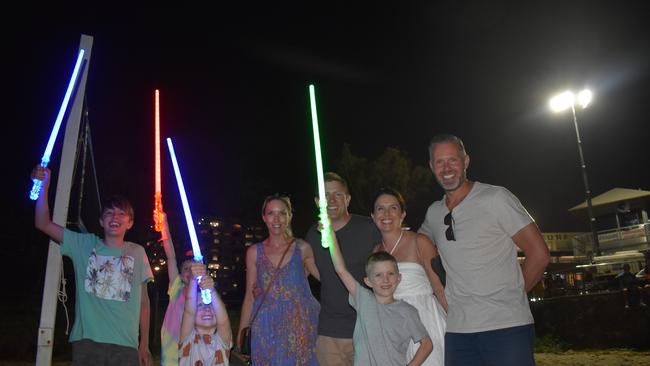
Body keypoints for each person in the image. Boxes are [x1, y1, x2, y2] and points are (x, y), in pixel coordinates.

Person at [418, 134, 550, 366]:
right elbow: (418, 240)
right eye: (439, 162)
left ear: (466, 161)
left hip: (506, 326)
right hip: (458, 329)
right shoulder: (434, 213)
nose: (446, 168)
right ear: (431, 166)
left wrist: (514, 294)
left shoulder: (496, 198)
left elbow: (539, 254)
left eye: (453, 160)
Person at [32, 166, 153, 366]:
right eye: (109, 213)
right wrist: (43, 185)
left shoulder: (137, 252)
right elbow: (43, 223)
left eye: (121, 213)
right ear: (101, 221)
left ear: (130, 222)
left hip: (126, 345)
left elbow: (144, 303)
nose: (115, 217)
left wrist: (144, 344)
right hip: (87, 344)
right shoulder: (83, 244)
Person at [327, 224, 433, 366]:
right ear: (368, 281)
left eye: (390, 273)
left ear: (398, 278)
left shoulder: (407, 311)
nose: (386, 280)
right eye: (378, 275)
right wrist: (331, 236)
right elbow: (341, 270)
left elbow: (427, 344)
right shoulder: (363, 299)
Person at [305, 172, 382, 366]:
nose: (331, 200)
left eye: (337, 194)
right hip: (330, 331)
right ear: (317, 201)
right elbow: (310, 268)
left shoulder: (369, 228)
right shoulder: (313, 235)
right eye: (325, 195)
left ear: (347, 199)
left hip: (366, 328)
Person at [237, 194, 320, 365]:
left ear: (290, 216)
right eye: (271, 213)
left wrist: (329, 238)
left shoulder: (302, 248)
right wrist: (241, 333)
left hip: (300, 329)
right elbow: (249, 297)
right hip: (265, 330)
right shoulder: (254, 252)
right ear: (264, 217)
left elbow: (327, 278)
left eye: (282, 213)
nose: (277, 219)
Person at [371, 187, 447, 366]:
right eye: (380, 208)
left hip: (425, 320)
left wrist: (459, 325)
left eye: (393, 208)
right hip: (392, 325)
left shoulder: (420, 242)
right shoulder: (376, 251)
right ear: (373, 216)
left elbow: (439, 288)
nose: (387, 213)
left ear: (403, 214)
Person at [178, 262, 232, 366]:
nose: (207, 309)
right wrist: (193, 279)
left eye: (211, 305)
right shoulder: (188, 338)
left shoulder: (222, 341)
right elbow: (189, 311)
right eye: (200, 305)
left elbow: (224, 321)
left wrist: (211, 290)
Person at [159, 212, 194, 366]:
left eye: (195, 269)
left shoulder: (206, 295)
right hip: (171, 351)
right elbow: (171, 256)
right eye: (186, 268)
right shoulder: (177, 289)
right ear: (180, 274)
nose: (190, 272)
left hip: (194, 352)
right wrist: (163, 225)